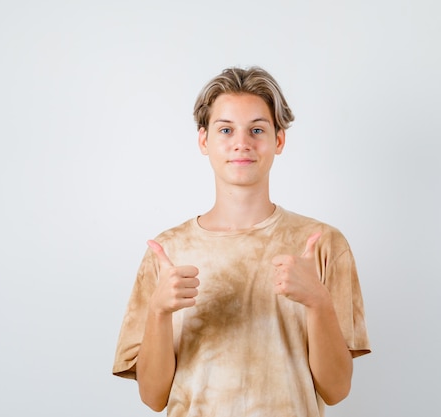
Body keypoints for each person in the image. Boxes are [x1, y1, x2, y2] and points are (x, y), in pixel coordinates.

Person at [112, 66, 371, 417]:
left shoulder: (321, 243)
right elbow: (153, 396)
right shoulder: (167, 252)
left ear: (279, 140)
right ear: (204, 140)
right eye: (226, 129)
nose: (242, 143)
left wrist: (318, 302)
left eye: (257, 129)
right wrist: (158, 311)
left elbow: (337, 389)